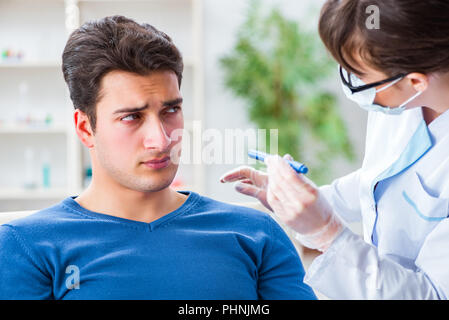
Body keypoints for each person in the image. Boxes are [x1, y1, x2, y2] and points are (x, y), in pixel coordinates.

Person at [0, 15, 316, 300]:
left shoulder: (255, 233)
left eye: (170, 110)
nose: (162, 139)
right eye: (131, 117)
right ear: (85, 128)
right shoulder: (25, 246)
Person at [220, 0, 449, 299]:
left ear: (415, 81)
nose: (355, 83)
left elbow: (432, 294)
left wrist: (327, 233)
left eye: (359, 75)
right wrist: (310, 199)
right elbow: (382, 182)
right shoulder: (401, 102)